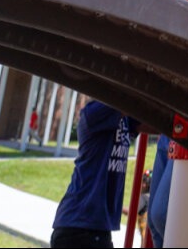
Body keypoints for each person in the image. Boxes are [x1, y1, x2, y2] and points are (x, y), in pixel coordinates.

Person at [50, 99, 137, 248]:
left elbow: (152, 124)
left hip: (94, 228)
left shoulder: (124, 118)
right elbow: (131, 98)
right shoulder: (95, 111)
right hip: (80, 226)